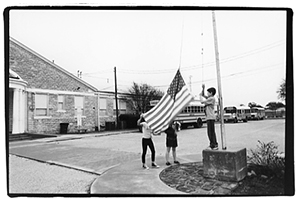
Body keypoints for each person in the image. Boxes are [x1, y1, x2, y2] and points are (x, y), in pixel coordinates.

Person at [200, 84, 219, 150]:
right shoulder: (210, 98)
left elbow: (202, 101)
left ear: (211, 93)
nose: (207, 93)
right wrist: (203, 89)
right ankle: (213, 144)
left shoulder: (211, 99)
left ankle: (213, 144)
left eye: (208, 92)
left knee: (210, 132)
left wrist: (200, 96)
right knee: (211, 132)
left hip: (210, 117)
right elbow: (203, 95)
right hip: (209, 117)